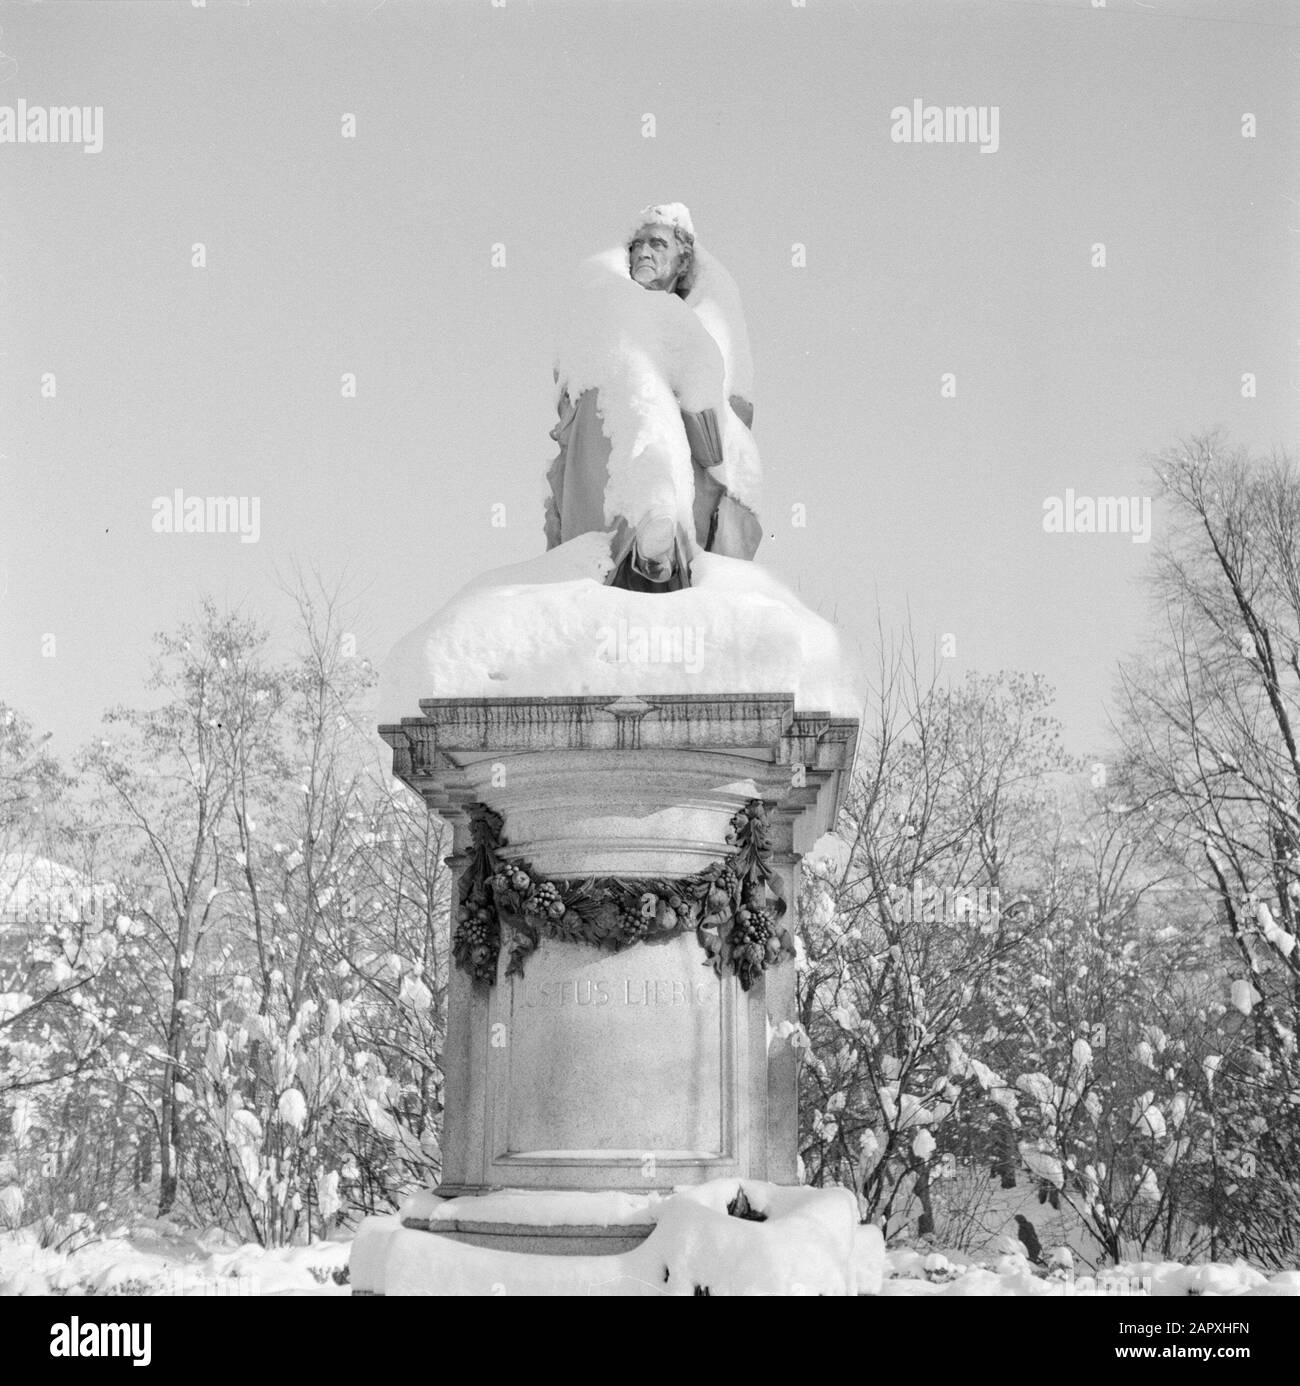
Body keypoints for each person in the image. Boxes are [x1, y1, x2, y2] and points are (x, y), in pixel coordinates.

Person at [544, 204, 763, 591]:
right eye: (637, 245)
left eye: (657, 244)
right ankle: (649, 525)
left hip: (672, 458)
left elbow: (709, 428)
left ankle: (657, 524)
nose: (643, 253)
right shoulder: (605, 320)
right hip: (598, 467)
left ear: (682, 262)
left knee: (652, 423)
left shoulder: (680, 322)